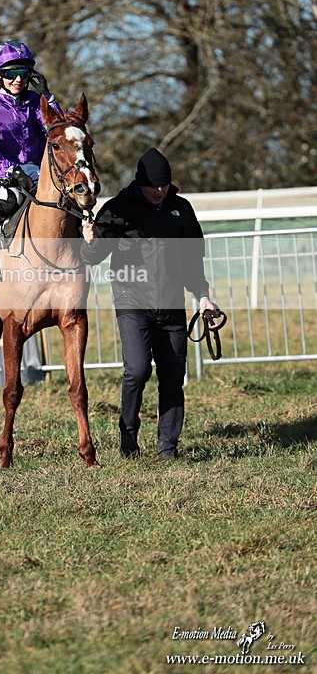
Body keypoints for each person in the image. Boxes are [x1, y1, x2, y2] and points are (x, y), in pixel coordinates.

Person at [81, 147, 217, 461]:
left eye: (164, 185)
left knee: (173, 376)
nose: (159, 191)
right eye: (153, 185)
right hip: (133, 303)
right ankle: (128, 436)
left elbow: (192, 260)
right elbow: (93, 257)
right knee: (138, 370)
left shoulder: (181, 209)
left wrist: (203, 295)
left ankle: (167, 446)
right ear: (140, 183)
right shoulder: (118, 209)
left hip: (172, 306)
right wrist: (89, 242)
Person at [0, 39, 60, 267]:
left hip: (34, 170)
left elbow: (57, 132)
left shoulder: (35, 102)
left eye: (24, 73)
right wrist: (11, 171)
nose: (18, 79)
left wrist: (48, 98)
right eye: (11, 73)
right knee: (11, 198)